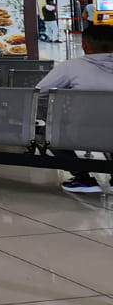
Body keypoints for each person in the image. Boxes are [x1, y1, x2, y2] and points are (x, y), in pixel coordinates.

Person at [36, 24, 113, 193]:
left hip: (80, 134)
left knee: (49, 131)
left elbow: (38, 95)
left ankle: (82, 178)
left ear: (84, 45)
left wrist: (52, 118)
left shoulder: (71, 67)